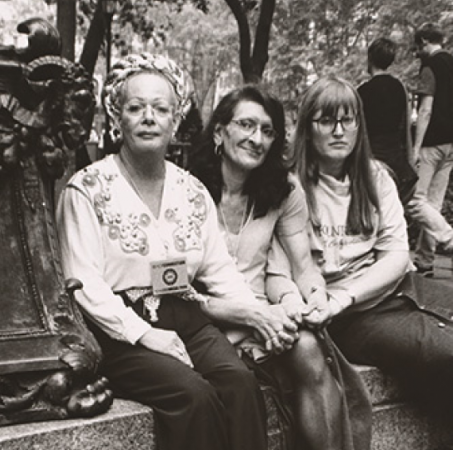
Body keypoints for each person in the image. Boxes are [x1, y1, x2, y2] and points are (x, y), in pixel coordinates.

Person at [56, 53, 294, 450]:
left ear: (175, 118)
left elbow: (220, 270)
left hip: (184, 315)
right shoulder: (87, 189)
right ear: (117, 118)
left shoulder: (192, 191)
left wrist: (261, 316)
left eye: (160, 108)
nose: (148, 117)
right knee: (193, 396)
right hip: (119, 333)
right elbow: (83, 284)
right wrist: (146, 334)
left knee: (240, 383)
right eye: (135, 107)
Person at [190, 84, 371, 450]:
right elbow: (174, 289)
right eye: (246, 125)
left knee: (308, 348)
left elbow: (302, 266)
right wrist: (253, 315)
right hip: (204, 317)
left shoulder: (283, 191)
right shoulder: (186, 189)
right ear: (220, 131)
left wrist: (316, 298)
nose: (257, 138)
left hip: (266, 316)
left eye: (268, 131)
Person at [267, 75, 453, 419]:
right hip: (348, 319)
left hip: (394, 292)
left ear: (358, 125)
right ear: (308, 126)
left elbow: (397, 255)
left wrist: (346, 294)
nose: (339, 130)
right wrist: (329, 302)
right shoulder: (287, 188)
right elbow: (278, 271)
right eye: (326, 120)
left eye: (347, 119)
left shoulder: (376, 177)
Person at [407, 23, 453, 276]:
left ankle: (449, 238)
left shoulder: (430, 66)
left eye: (417, 46)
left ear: (424, 41)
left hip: (431, 143)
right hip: (451, 144)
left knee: (416, 201)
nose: (416, 52)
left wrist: (415, 147)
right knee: (432, 204)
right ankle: (425, 261)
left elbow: (425, 109)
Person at [357, 37, 417, 203]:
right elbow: (405, 126)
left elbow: (359, 129)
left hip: (372, 157)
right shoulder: (400, 88)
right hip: (396, 157)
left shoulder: (362, 91)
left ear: (370, 58)